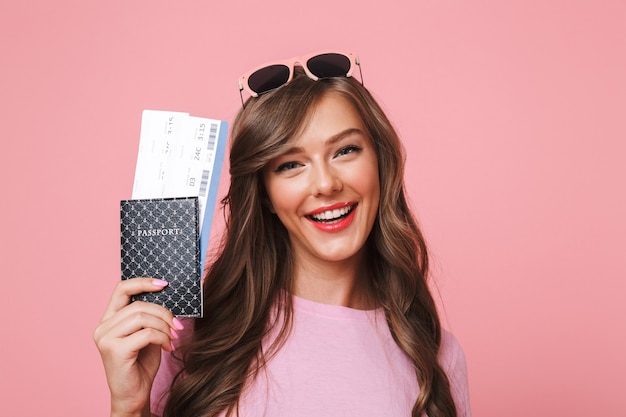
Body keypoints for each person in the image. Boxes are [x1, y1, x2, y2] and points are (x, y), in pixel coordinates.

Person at [94, 50, 471, 417]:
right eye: (291, 164)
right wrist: (127, 408)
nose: (325, 184)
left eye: (346, 150)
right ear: (266, 194)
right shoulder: (189, 339)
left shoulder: (436, 356)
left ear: (381, 163)